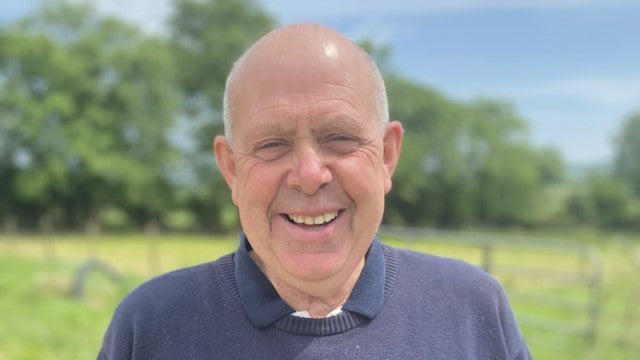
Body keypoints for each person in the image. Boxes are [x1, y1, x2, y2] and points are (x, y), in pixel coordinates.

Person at [98, 23, 531, 359]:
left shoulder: (473, 309)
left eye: (339, 138)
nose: (309, 174)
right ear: (231, 168)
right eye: (271, 144)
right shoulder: (151, 326)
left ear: (386, 156)